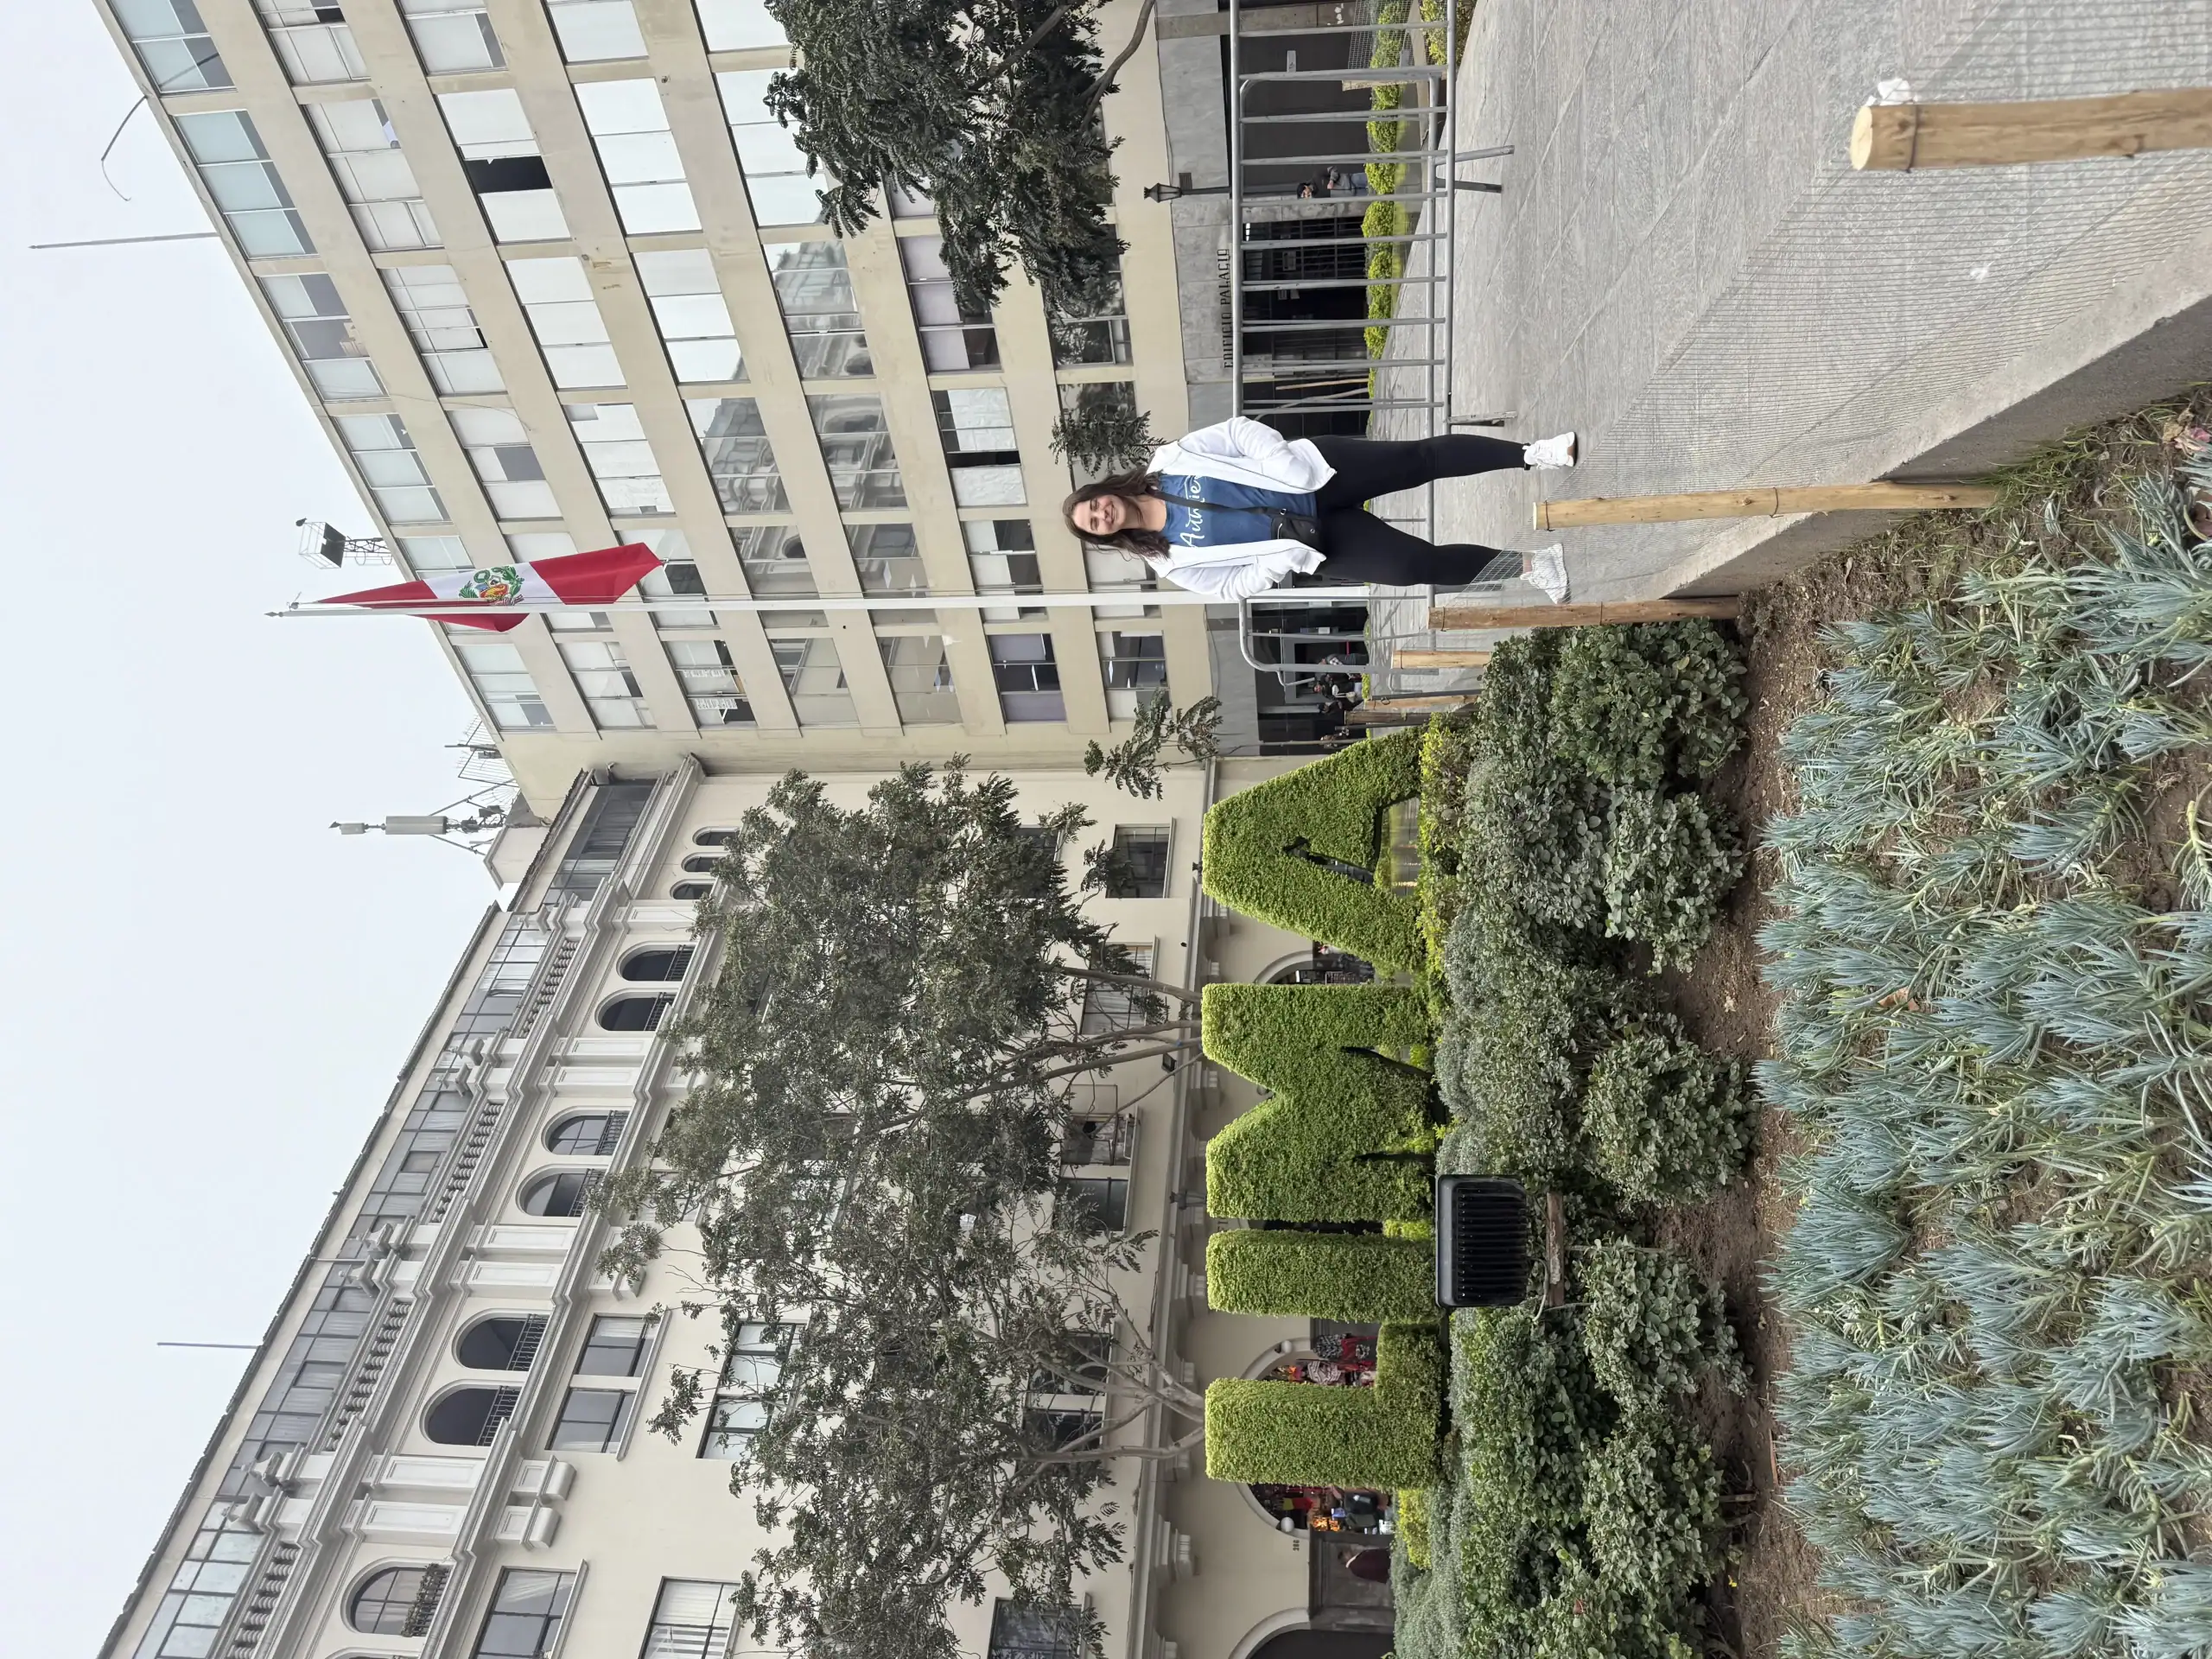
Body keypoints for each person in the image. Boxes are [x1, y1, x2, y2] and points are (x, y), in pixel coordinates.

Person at [1063, 418, 1578, 601]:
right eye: (1094, 525)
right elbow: (1230, 587)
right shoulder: (1171, 561)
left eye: (1094, 506)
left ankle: (1534, 454)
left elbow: (1236, 433)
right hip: (1311, 542)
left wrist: (1282, 463)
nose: (1102, 515)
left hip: (1317, 472)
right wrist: (1278, 563)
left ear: (1100, 492)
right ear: (1103, 537)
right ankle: (1533, 566)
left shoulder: (1170, 462)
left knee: (1419, 459)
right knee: (1412, 567)